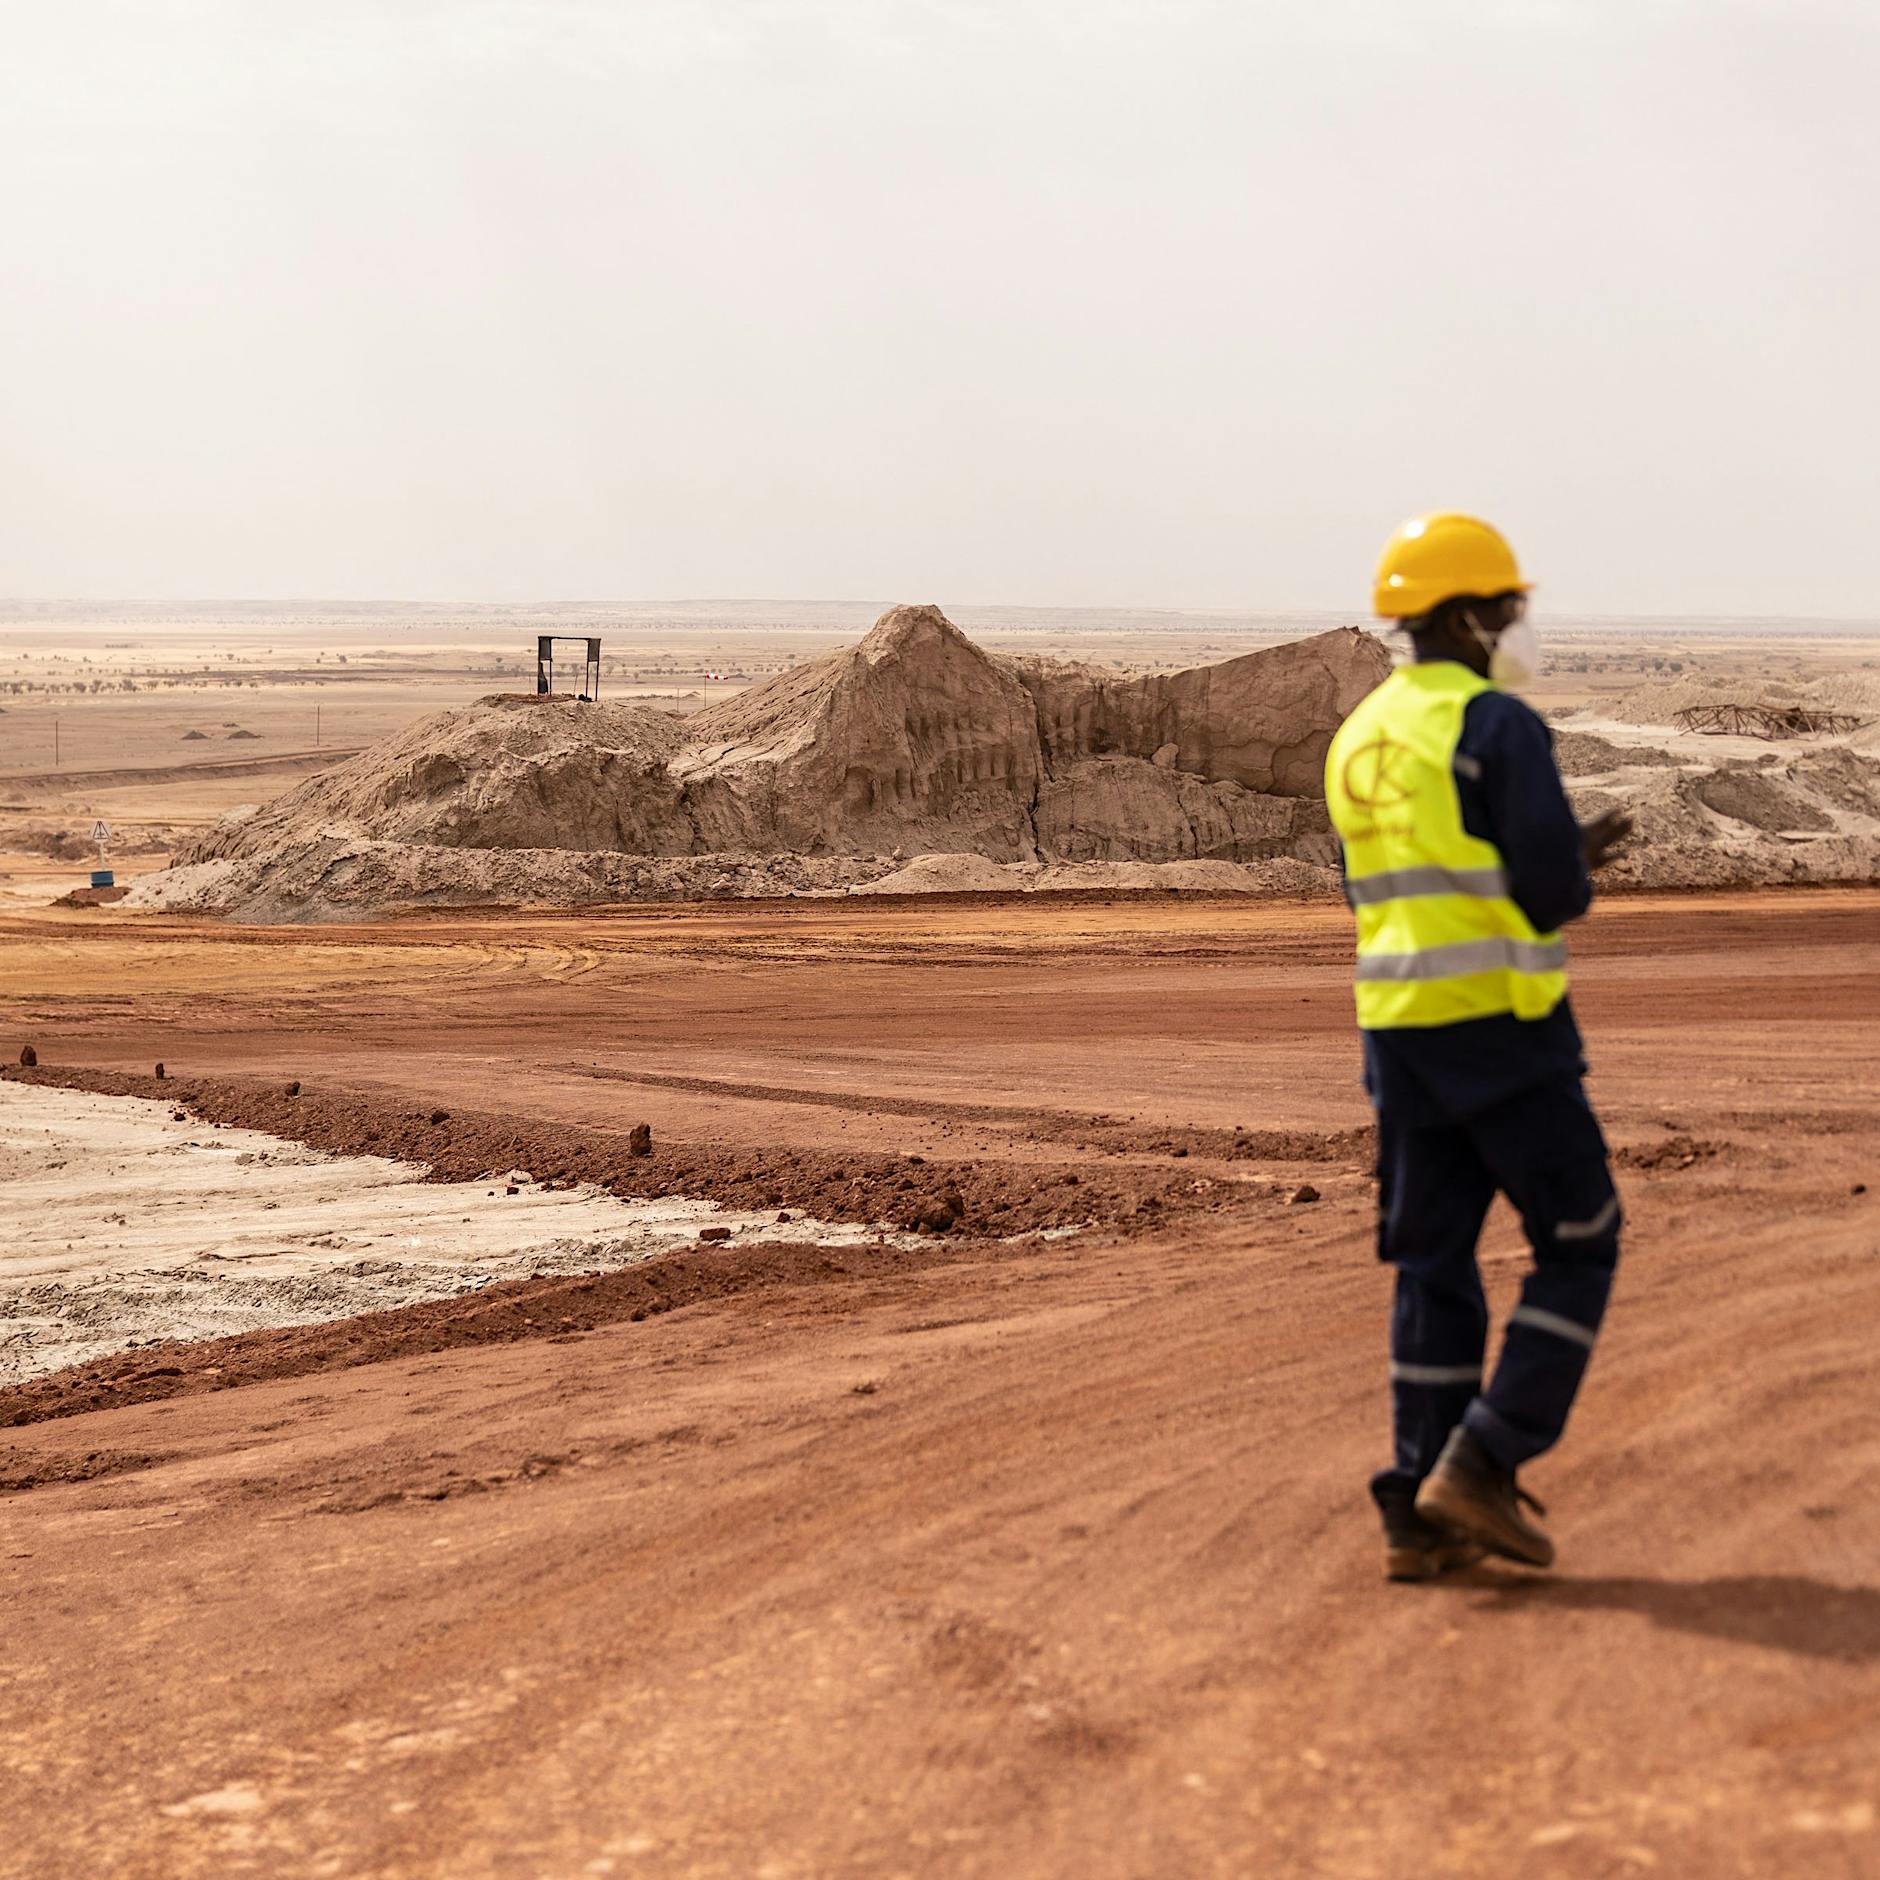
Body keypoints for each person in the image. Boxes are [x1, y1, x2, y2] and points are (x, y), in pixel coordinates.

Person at [1324, 513, 1633, 1580]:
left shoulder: (1357, 735)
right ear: (1464, 614)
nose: (1514, 627)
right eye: (1505, 609)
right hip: (1501, 1034)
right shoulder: (1493, 726)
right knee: (1580, 1238)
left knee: (1431, 1261)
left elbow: (1409, 883)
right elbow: (1545, 892)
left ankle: (1414, 1506)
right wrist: (1573, 858)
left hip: (1398, 1039)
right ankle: (1485, 1455)